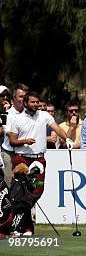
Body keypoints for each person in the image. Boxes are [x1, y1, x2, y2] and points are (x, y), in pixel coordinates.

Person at [6, 91, 71, 236]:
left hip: (39, 159)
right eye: (32, 102)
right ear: (25, 103)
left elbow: (57, 129)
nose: (36, 105)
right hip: (22, 158)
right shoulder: (16, 118)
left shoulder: (44, 115)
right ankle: (23, 228)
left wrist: (67, 139)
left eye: (37, 102)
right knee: (20, 193)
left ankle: (23, 227)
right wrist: (25, 141)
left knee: (36, 192)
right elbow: (12, 141)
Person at [2, 83, 28, 185]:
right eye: (20, 96)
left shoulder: (29, 114)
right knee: (10, 183)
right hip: (9, 154)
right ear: (14, 98)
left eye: (25, 97)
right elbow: (11, 135)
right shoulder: (7, 114)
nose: (23, 99)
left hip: (23, 154)